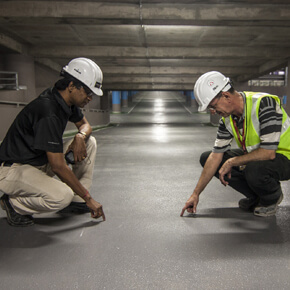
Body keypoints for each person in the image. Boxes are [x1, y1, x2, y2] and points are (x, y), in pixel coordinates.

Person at [0, 57, 106, 226]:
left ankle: (76, 200)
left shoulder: (65, 102)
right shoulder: (48, 111)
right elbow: (57, 166)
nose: (90, 98)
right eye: (88, 92)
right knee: (61, 196)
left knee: (89, 141)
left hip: (38, 162)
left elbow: (85, 125)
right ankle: (14, 204)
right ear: (71, 86)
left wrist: (80, 136)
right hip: (13, 169)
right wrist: (89, 198)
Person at [181, 71, 290, 218]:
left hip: (284, 156)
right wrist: (195, 194)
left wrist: (233, 161)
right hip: (262, 157)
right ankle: (256, 196)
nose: (213, 111)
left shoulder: (264, 103)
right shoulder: (227, 119)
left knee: (252, 168)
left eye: (213, 106)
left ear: (226, 96)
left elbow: (268, 152)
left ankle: (271, 197)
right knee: (207, 158)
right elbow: (215, 156)